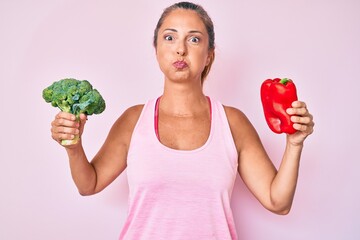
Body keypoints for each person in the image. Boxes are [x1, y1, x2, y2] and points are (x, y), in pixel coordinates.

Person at [50, 2, 314, 239]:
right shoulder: (133, 120)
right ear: (156, 50)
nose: (180, 49)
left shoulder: (232, 123)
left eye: (194, 40)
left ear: (209, 54)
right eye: (169, 37)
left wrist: (295, 142)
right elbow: (89, 184)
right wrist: (73, 147)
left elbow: (278, 202)